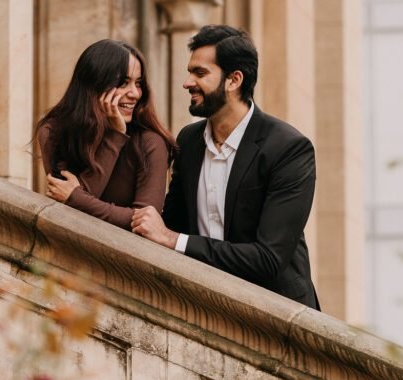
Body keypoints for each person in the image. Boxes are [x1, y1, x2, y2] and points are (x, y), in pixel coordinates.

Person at [130, 25, 320, 310]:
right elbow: (170, 222)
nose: (187, 82)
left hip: (278, 315)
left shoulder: (288, 149)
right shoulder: (189, 142)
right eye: (190, 72)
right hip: (203, 306)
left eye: (200, 73)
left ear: (234, 80)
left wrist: (174, 240)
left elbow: (268, 259)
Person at [36, 39, 176, 230]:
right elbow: (67, 213)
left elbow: (147, 225)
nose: (134, 93)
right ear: (94, 84)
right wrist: (115, 136)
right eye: (123, 83)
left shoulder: (150, 143)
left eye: (139, 83)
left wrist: (76, 197)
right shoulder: (54, 131)